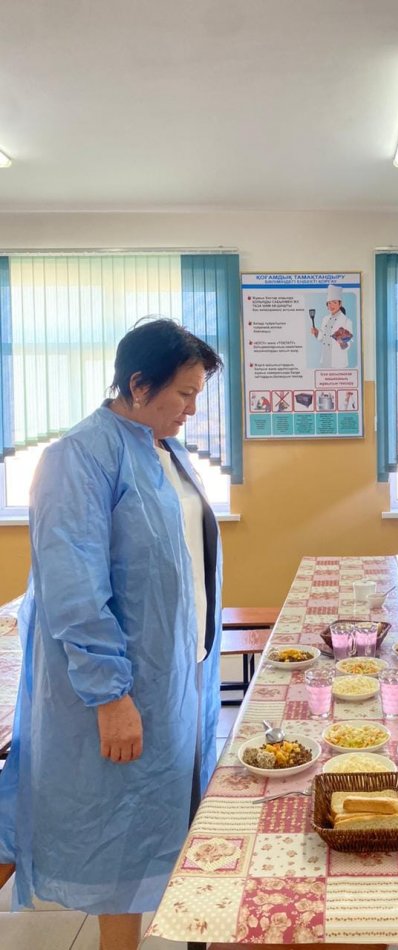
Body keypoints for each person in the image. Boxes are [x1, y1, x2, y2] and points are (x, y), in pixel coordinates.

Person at [0, 318, 224, 950]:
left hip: (172, 674)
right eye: (184, 393)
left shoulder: (165, 451)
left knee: (143, 828)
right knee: (104, 827)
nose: (192, 408)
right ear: (139, 383)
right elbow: (74, 587)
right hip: (116, 684)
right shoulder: (79, 456)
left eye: (197, 395)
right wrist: (110, 694)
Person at [310, 283, 353, 368]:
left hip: (338, 361)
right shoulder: (325, 319)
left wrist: (342, 341)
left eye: (334, 302)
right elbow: (322, 338)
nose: (331, 305)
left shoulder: (346, 321)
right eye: (329, 303)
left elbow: (349, 344)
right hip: (325, 358)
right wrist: (316, 333)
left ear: (340, 304)